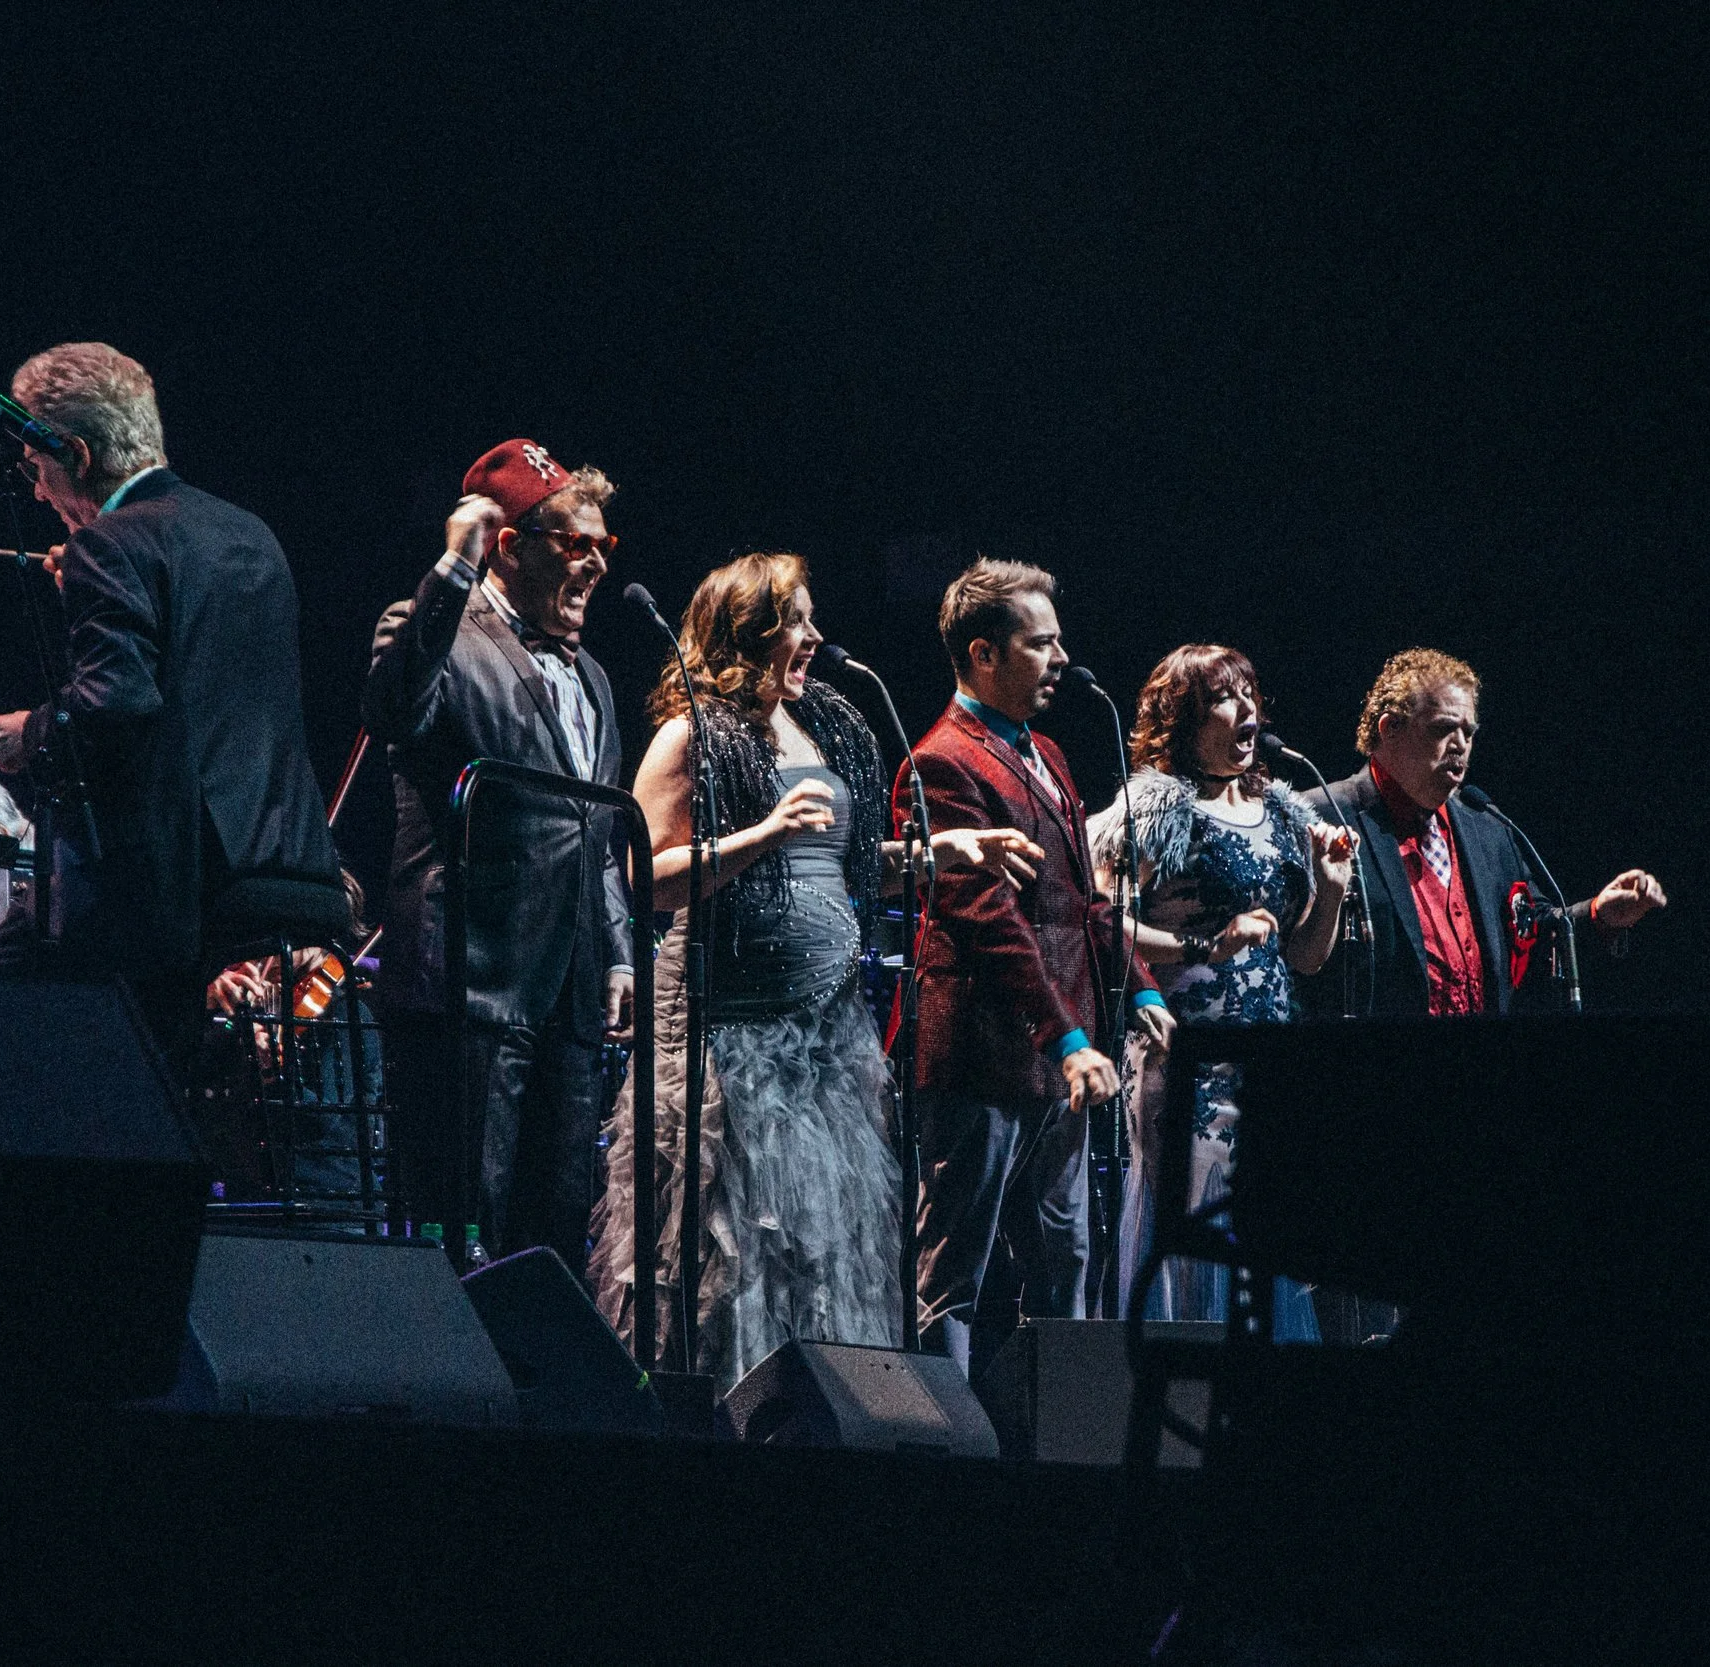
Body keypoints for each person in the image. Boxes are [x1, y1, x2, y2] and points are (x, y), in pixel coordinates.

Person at [590, 552, 1040, 1391]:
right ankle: (726, 1410)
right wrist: (761, 834)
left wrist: (944, 850)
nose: (813, 635)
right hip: (730, 1035)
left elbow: (845, 868)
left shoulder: (818, 728)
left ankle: (819, 1411)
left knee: (819, 1245)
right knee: (738, 1242)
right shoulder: (692, 732)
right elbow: (646, 877)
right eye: (795, 619)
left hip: (826, 1039)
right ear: (748, 631)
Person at [0, 342, 345, 1054]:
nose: (37, 491)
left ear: (78, 456)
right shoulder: (250, 532)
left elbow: (115, 708)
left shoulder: (109, 545)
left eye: (35, 467)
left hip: (182, 885)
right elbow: (196, 682)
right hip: (293, 869)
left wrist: (32, 732)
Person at [362, 439, 632, 1273]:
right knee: (460, 1224)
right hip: (471, 988)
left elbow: (596, 833)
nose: (597, 564)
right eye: (576, 543)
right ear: (509, 545)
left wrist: (619, 951)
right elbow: (394, 710)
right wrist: (452, 568)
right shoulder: (434, 628)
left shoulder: (593, 677)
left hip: (567, 996)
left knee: (552, 1228)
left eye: (604, 545)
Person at [900, 558, 1173, 1377]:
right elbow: (989, 921)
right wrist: (1068, 1039)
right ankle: (946, 1433)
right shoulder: (940, 762)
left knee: (1066, 1264)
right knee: (956, 1271)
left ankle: (1059, 1431)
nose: (1062, 659)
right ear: (983, 654)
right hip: (982, 1060)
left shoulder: (1047, 751)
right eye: (1041, 643)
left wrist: (1141, 987)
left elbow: (1084, 902)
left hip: (1059, 1064)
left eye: (1058, 641)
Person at [1086, 644, 1357, 1336]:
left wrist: (1329, 891)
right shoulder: (1154, 808)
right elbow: (1103, 922)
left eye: (1248, 693)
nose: (1245, 710)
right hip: (1187, 1056)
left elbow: (1305, 957)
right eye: (1222, 698)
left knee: (1264, 1231)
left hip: (1269, 1059)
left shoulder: (1284, 813)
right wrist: (1204, 945)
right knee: (1195, 1234)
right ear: (1184, 721)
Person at [1310, 649, 1667, 1022]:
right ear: (1390, 729)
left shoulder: (1487, 828)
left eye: (1468, 732)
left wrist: (1600, 916)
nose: (1460, 744)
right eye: (1443, 728)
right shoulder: (1322, 815)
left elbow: (1531, 934)